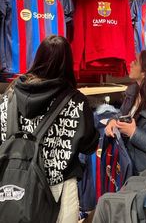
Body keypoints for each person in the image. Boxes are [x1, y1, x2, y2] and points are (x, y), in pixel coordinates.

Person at [0, 35, 99, 223]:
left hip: (12, 184)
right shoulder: (76, 101)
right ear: (67, 63)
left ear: (38, 58)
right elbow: (89, 146)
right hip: (58, 189)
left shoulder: (9, 95)